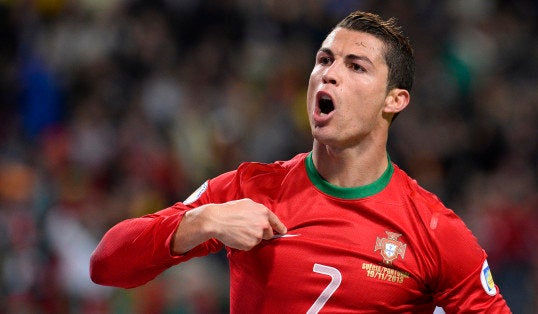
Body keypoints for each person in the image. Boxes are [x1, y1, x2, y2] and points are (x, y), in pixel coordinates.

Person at [90, 11, 511, 313]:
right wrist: (203, 221)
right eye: (324, 59)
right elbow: (106, 264)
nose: (329, 74)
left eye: (356, 66)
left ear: (394, 100)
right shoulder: (251, 190)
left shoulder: (432, 229)